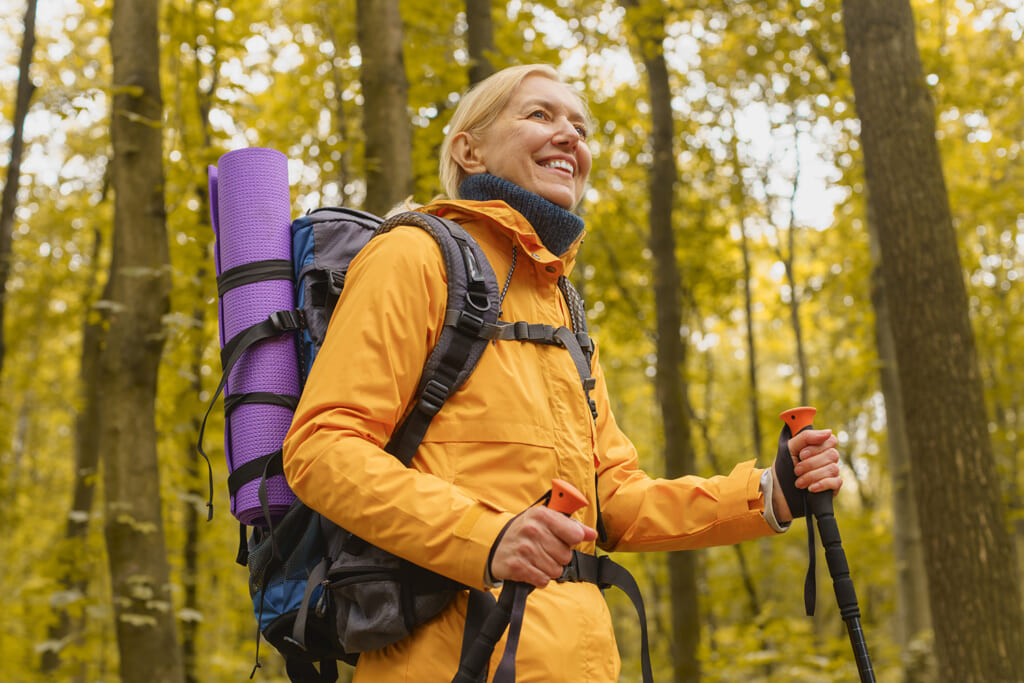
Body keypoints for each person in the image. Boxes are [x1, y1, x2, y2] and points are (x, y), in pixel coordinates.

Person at [282, 63, 842, 682]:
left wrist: (767, 493)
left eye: (580, 126)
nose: (570, 136)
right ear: (468, 150)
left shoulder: (564, 310)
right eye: (540, 115)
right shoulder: (414, 255)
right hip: (448, 662)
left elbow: (614, 503)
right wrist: (487, 538)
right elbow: (322, 446)